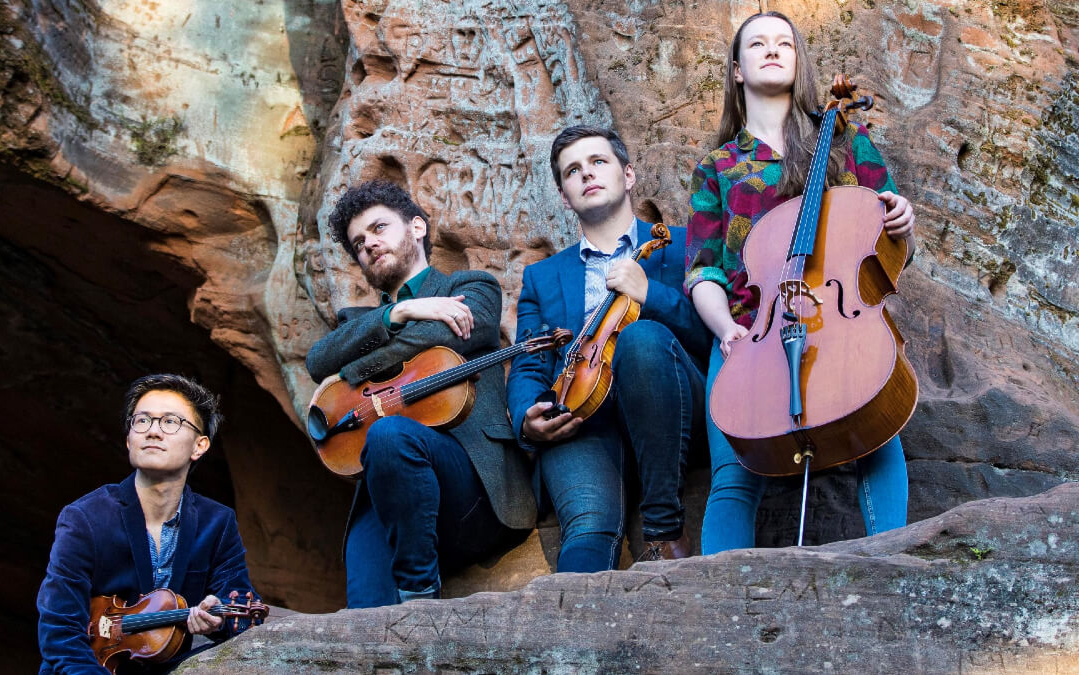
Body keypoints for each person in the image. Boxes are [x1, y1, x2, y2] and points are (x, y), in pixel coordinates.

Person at [684, 11, 918, 555]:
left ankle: (896, 564)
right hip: (752, 330)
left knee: (879, 436)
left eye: (784, 43)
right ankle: (718, 596)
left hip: (836, 316)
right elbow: (703, 268)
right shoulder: (717, 166)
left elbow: (887, 233)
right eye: (757, 44)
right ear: (737, 70)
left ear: (799, 60)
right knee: (733, 474)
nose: (772, 50)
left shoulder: (844, 138)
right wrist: (726, 332)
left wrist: (901, 218)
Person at [305, 180, 535, 608]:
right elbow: (318, 361)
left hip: (471, 488)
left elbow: (456, 332)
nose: (369, 244)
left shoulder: (471, 286)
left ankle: (417, 598)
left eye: (379, 228)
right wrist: (399, 310)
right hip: (390, 495)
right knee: (364, 617)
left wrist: (355, 369)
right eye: (358, 242)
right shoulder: (356, 320)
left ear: (416, 227)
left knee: (390, 435)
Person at [506, 126, 713, 571]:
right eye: (573, 171)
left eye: (598, 162)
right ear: (565, 196)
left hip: (674, 407)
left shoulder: (681, 248)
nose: (587, 174)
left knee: (640, 339)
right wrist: (527, 417)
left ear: (629, 174)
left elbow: (714, 338)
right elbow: (528, 361)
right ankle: (570, 633)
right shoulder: (542, 277)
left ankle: (662, 530)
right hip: (582, 419)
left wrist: (651, 295)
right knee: (586, 530)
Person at [37, 374, 257, 673]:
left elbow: (241, 609)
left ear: (199, 445)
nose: (153, 431)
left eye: (170, 422)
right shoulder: (85, 517)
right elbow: (59, 632)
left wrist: (218, 620)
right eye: (142, 421)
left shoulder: (217, 522)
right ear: (129, 440)